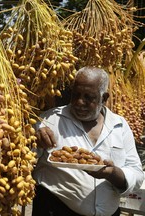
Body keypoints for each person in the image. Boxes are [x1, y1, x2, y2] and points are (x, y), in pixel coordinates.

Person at [32, 66, 144, 216]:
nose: (79, 102)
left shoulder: (120, 126)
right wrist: (32, 139)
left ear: (104, 98)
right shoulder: (50, 120)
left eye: (88, 97)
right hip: (55, 209)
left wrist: (111, 174)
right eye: (76, 95)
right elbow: (23, 160)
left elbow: (136, 173)